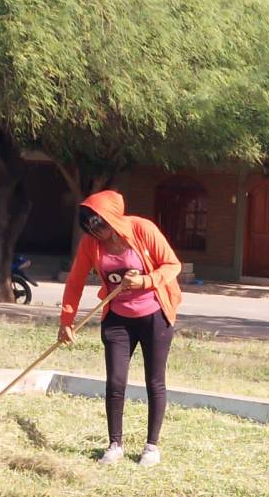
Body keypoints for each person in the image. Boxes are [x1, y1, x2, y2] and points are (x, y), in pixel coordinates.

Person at [58, 190, 182, 465]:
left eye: (98, 223)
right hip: (118, 319)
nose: (94, 231)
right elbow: (75, 281)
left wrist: (146, 281)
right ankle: (115, 444)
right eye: (88, 226)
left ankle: (151, 447)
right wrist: (67, 321)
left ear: (112, 217)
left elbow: (173, 265)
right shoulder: (90, 244)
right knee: (115, 381)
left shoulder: (142, 229)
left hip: (154, 315)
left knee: (155, 381)